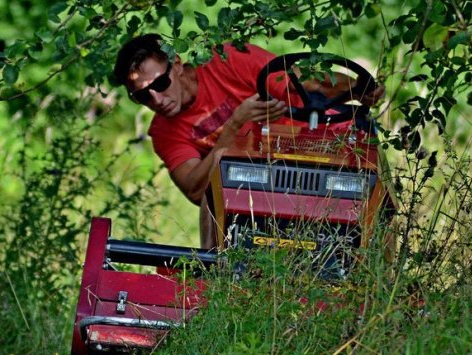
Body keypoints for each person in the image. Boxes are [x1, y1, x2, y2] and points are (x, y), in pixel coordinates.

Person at [113, 33, 382, 247]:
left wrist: (358, 88)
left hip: (312, 155)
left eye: (160, 85)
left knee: (372, 187)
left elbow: (303, 83)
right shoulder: (164, 131)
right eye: (143, 96)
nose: (156, 100)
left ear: (178, 66)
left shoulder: (227, 60)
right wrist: (234, 125)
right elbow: (195, 190)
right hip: (253, 187)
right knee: (212, 193)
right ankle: (214, 284)